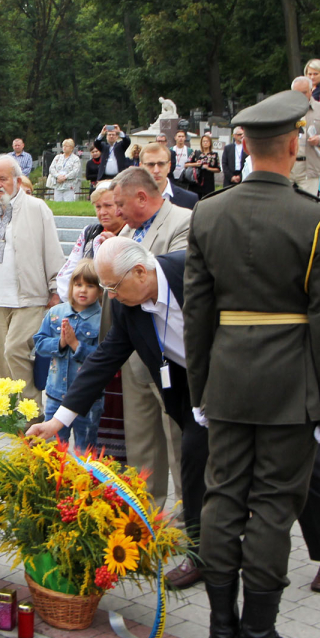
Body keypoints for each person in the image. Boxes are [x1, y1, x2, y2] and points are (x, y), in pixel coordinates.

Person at [184, 90, 320, 638]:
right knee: (275, 505)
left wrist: (200, 390)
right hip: (289, 384)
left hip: (225, 379)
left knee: (223, 500)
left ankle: (221, 637)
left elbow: (197, 313)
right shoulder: (315, 216)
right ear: (295, 144)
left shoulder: (209, 212)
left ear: (245, 147)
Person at [25, 240, 211, 578]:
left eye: (112, 286)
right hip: (191, 391)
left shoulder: (194, 270)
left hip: (239, 379)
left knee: (294, 461)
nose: (109, 295)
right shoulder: (129, 305)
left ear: (140, 272)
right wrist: (56, 422)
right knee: (194, 463)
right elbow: (103, 360)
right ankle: (202, 557)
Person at [112, 166, 192, 516]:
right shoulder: (129, 229)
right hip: (136, 354)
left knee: (178, 438)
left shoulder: (183, 222)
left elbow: (174, 278)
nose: (116, 213)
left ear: (142, 197)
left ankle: (188, 507)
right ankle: (146, 508)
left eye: (121, 204)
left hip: (172, 354)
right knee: (141, 436)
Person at [0, 155, 64, 406]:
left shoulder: (36, 208)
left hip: (29, 296)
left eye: (2, 179)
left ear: (17, 181)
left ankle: (32, 410)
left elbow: (52, 250)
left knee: (15, 349)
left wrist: (55, 289)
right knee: (3, 357)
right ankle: (10, 410)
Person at [32, 259, 105, 452]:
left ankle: (84, 481)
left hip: (88, 398)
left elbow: (104, 358)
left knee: (86, 450)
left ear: (100, 290)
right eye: (78, 284)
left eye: (90, 285)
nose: (83, 290)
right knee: (53, 449)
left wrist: (76, 345)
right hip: (56, 394)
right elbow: (39, 343)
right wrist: (61, 343)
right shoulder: (56, 313)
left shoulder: (103, 319)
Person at [55, 180, 126, 301]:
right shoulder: (89, 232)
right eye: (98, 207)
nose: (102, 212)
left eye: (108, 206)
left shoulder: (133, 233)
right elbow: (68, 272)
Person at [289, 76, 320, 197]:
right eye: (296, 93)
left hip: (310, 166)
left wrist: (319, 139)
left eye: (304, 92)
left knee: (308, 205)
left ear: (311, 91)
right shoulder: (284, 110)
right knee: (282, 205)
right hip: (287, 164)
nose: (300, 96)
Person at [139, 142, 199, 209]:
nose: (156, 170)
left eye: (161, 164)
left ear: (169, 166)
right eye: (150, 164)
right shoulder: (129, 199)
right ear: (141, 167)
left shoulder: (189, 199)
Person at [184, 134, 220, 198]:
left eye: (207, 141)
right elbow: (186, 164)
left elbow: (218, 169)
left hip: (208, 182)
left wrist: (208, 168)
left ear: (210, 143)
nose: (205, 143)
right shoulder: (196, 153)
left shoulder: (214, 155)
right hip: (196, 181)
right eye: (204, 141)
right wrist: (196, 164)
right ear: (201, 143)